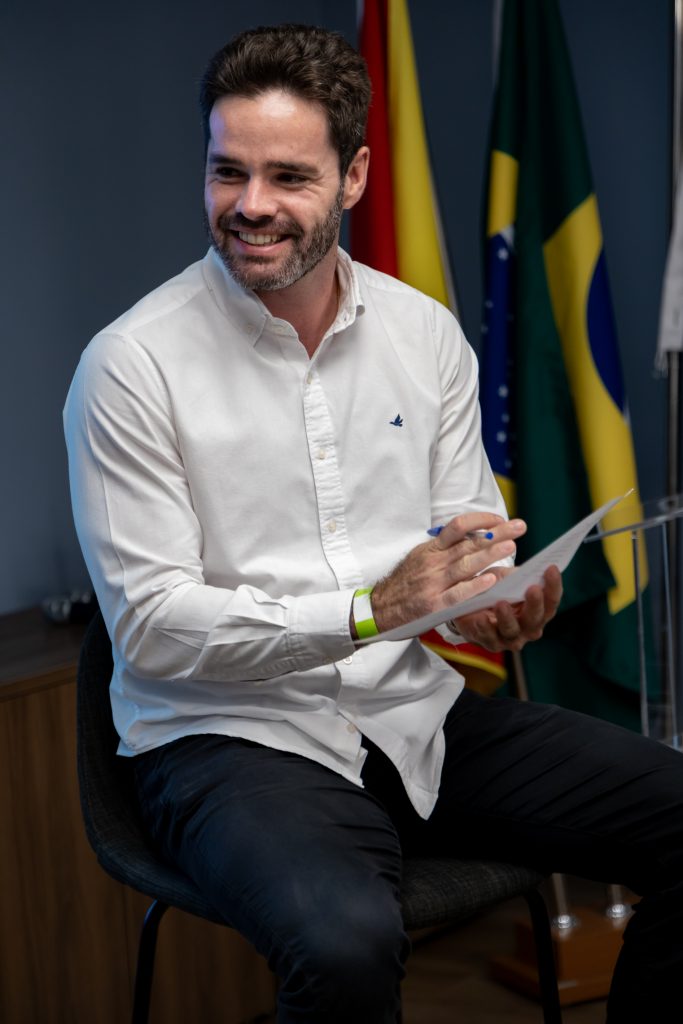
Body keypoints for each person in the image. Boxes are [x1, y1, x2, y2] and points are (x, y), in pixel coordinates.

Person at [64, 23, 683, 1023]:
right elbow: (152, 628)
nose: (250, 204)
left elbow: (465, 539)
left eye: (287, 176)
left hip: (408, 712)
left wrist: (497, 602)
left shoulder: (420, 332)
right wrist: (370, 608)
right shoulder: (131, 367)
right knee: (343, 942)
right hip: (226, 736)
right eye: (227, 171)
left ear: (353, 176)